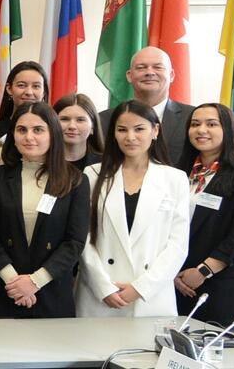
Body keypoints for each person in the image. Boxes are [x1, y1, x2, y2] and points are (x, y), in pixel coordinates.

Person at [0, 102, 90, 319]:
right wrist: (15, 283)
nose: (29, 137)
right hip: (3, 290)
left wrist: (34, 282)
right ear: (13, 135)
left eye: (38, 130)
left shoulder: (76, 180)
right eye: (22, 130)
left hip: (50, 292)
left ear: (53, 133)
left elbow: (74, 242)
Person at [76, 101, 189, 318]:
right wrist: (103, 287)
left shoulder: (174, 179)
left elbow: (178, 245)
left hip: (150, 297)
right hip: (100, 294)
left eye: (139, 129)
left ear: (155, 131)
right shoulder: (93, 174)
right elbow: (83, 237)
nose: (130, 137)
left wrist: (140, 288)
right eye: (122, 130)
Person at [174, 103, 234, 327]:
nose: (201, 130)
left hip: (219, 287)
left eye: (211, 124)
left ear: (228, 130)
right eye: (195, 124)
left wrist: (203, 271)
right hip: (175, 283)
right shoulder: (177, 174)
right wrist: (171, 272)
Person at [99, 47, 193, 162]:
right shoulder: (103, 120)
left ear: (172, 75)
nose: (149, 73)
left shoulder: (192, 118)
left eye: (158, 67)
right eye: (141, 68)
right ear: (129, 75)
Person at [0, 61, 48, 139]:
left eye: (36, 86)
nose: (29, 92)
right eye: (21, 85)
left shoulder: (53, 130)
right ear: (9, 89)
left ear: (44, 92)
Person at [56, 94, 101, 169]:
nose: (72, 126)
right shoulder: (40, 162)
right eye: (65, 119)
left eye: (80, 120)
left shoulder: (105, 165)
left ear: (92, 127)